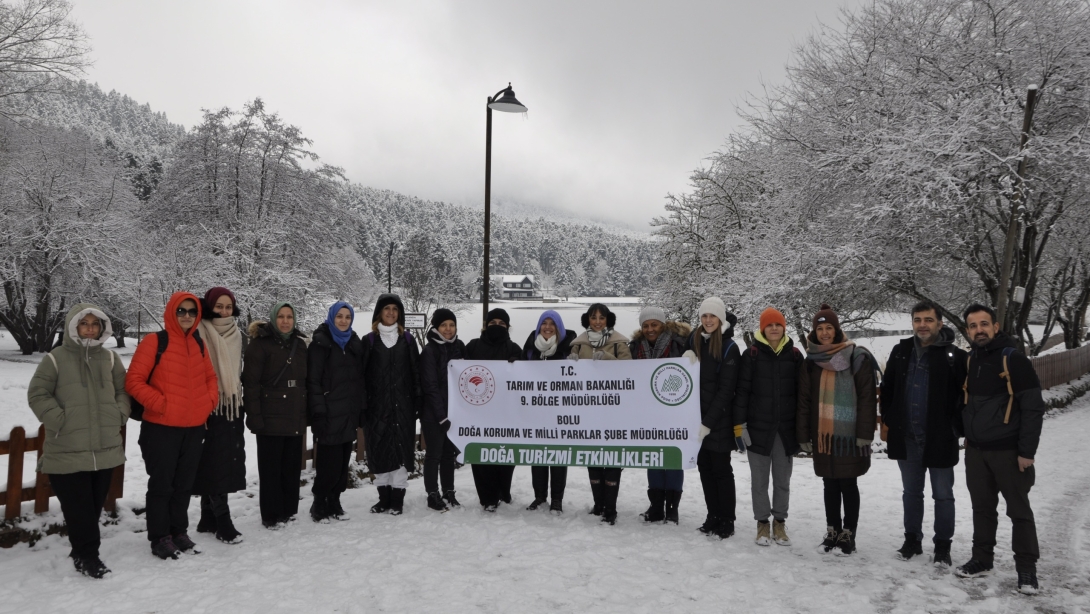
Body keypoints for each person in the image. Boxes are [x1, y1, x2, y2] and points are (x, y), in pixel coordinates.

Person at [28, 304, 129, 578]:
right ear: (73, 326)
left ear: (102, 327)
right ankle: (88, 557)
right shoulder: (56, 358)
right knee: (79, 510)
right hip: (67, 448)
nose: (90, 328)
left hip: (104, 448)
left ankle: (81, 550)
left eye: (95, 324)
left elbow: (124, 391)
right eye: (84, 323)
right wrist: (60, 419)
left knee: (93, 507)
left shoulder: (109, 359)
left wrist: (119, 413)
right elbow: (38, 394)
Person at [954, 304, 1045, 595]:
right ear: (967, 331)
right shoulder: (970, 361)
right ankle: (982, 559)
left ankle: (1027, 570)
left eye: (984, 324)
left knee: (1019, 511)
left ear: (995, 326)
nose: (978, 330)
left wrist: (1026, 452)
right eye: (972, 325)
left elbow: (1032, 408)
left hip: (1008, 452)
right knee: (982, 509)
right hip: (976, 452)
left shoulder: (1014, 360)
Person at [126, 292, 219, 559]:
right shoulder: (155, 342)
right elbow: (134, 381)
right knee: (162, 485)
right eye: (182, 311)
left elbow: (210, 377)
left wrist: (208, 402)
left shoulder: (198, 343)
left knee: (184, 485)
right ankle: (160, 537)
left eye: (192, 311)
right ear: (172, 312)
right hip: (161, 429)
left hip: (193, 428)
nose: (187, 316)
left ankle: (179, 531)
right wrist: (162, 404)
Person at [880, 300, 966, 566]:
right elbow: (888, 388)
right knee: (911, 493)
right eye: (918, 320)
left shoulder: (956, 356)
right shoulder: (901, 350)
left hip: (939, 439)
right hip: (908, 437)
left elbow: (964, 399)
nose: (922, 325)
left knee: (943, 494)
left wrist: (954, 428)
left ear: (940, 324)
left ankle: (942, 545)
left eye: (928, 320)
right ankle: (912, 540)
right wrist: (889, 420)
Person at [797, 303, 878, 556]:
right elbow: (804, 400)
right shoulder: (811, 361)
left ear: (836, 329)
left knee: (848, 483)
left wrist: (865, 433)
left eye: (828, 327)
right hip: (823, 433)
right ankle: (833, 529)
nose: (824, 333)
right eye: (820, 328)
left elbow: (867, 398)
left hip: (849, 435)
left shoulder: (856, 356)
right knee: (829, 484)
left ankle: (848, 533)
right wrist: (803, 435)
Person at [736, 307, 802, 546]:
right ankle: (762, 523)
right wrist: (740, 426)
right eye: (769, 325)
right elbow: (742, 392)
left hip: (785, 432)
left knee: (783, 481)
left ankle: (780, 523)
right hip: (757, 430)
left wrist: (802, 430)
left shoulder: (794, 355)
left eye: (778, 324)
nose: (774, 328)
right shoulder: (751, 355)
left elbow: (802, 395)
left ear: (784, 327)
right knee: (759, 481)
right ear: (762, 328)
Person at [244, 302, 309, 529]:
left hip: (293, 415)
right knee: (271, 469)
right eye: (280, 316)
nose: (285, 321)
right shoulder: (259, 346)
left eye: (289, 316)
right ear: (273, 318)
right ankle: (271, 515)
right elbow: (250, 385)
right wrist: (254, 417)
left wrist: (305, 412)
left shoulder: (300, 345)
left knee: (291, 467)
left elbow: (305, 382)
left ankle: (289, 510)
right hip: (269, 416)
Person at [683, 297, 743, 539]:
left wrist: (709, 422)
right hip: (696, 420)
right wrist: (685, 356)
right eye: (704, 316)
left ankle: (727, 519)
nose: (708, 320)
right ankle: (712, 516)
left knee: (721, 470)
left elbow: (726, 390)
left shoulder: (729, 347)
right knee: (705, 469)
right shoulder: (695, 340)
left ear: (721, 319)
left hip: (717, 421)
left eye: (712, 316)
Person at [192, 287, 246, 544]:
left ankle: (207, 517)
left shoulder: (236, 334)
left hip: (231, 406)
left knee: (221, 461)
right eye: (219, 306)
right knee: (213, 463)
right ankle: (222, 520)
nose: (224, 311)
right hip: (207, 407)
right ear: (210, 306)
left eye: (228, 306)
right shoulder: (199, 332)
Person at [569, 303, 632, 524]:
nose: (597, 321)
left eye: (601, 318)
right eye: (593, 317)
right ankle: (598, 504)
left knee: (612, 458)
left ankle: (611, 508)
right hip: (588, 411)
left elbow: (629, 372)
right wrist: (570, 365)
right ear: (587, 319)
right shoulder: (578, 343)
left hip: (614, 411)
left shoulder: (619, 342)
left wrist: (607, 359)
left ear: (608, 320)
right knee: (593, 456)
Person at [360, 293, 421, 516]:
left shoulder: (408, 340)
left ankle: (397, 500)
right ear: (379, 313)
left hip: (403, 408)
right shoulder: (369, 341)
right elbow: (362, 375)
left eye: (395, 309)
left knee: (400, 454)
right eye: (387, 309)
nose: (391, 313)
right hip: (376, 409)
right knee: (379, 452)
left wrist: (416, 401)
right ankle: (383, 499)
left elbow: (416, 373)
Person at [629, 306, 690, 524]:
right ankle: (656, 506)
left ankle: (672, 508)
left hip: (674, 410)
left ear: (662, 325)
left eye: (654, 324)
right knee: (653, 457)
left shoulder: (679, 343)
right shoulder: (635, 347)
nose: (650, 329)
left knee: (673, 458)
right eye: (645, 326)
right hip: (647, 412)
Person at [307, 301, 365, 522]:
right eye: (339, 316)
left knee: (342, 464)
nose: (343, 320)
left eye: (347, 317)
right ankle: (319, 502)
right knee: (328, 466)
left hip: (348, 414)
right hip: (329, 414)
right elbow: (313, 382)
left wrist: (360, 409)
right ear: (331, 317)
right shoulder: (320, 344)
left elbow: (359, 381)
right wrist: (319, 413)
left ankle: (335, 501)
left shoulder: (353, 345)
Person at [522, 309, 578, 514]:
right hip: (535, 410)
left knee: (558, 456)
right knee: (537, 455)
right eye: (543, 323)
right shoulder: (529, 349)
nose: (547, 327)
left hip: (560, 411)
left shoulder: (568, 348)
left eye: (552, 323)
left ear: (558, 327)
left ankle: (557, 499)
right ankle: (539, 496)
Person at [466, 308, 522, 512]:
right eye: (492, 323)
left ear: (507, 327)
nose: (497, 326)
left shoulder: (514, 349)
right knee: (481, 455)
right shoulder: (472, 346)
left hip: (506, 412)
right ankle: (487, 497)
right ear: (485, 325)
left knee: (505, 454)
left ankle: (503, 492)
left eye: (502, 323)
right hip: (478, 411)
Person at [419, 308, 466, 511]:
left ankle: (449, 491)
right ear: (436, 328)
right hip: (433, 414)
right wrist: (441, 416)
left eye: (451, 325)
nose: (448, 329)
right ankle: (432, 493)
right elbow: (430, 386)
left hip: (453, 412)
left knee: (448, 454)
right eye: (443, 325)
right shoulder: (429, 351)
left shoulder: (460, 347)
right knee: (434, 454)